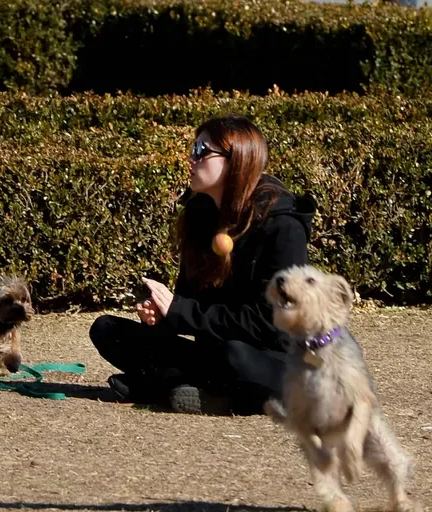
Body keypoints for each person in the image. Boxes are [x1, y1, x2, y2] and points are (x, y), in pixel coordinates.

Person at [89, 115, 315, 416]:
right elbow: (192, 305)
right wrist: (162, 316)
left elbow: (270, 322)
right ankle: (193, 389)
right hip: (214, 356)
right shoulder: (200, 217)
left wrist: (180, 310)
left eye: (201, 151)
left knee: (234, 355)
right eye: (193, 148)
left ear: (236, 161)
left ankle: (165, 386)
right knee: (107, 330)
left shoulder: (283, 227)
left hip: (272, 361)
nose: (191, 159)